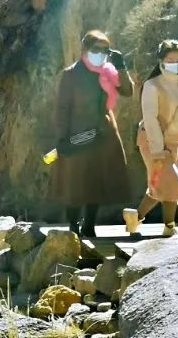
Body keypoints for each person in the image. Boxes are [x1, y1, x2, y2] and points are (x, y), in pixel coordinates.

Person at [51, 29, 134, 240]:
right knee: (75, 182)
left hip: (104, 133)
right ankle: (73, 226)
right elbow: (63, 108)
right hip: (78, 133)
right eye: (96, 49)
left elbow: (128, 91)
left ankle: (89, 225)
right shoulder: (71, 74)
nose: (101, 53)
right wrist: (63, 138)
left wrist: (121, 65)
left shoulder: (109, 71)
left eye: (105, 49)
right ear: (85, 49)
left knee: (96, 180)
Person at [124, 40, 178, 239]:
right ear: (161, 60)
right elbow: (150, 118)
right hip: (151, 141)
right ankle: (169, 227)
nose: (175, 62)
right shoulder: (152, 85)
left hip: (174, 141)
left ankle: (135, 217)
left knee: (160, 185)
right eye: (171, 59)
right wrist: (158, 150)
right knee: (171, 183)